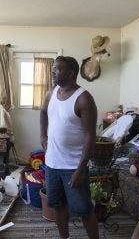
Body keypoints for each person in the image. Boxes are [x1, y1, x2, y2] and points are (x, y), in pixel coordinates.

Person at [40, 56, 99, 239]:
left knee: (84, 210)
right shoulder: (51, 93)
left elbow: (90, 135)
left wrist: (80, 170)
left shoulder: (83, 99)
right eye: (53, 69)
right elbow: (43, 112)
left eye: (57, 69)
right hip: (52, 164)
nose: (53, 72)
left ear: (71, 73)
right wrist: (43, 135)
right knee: (58, 205)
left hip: (73, 166)